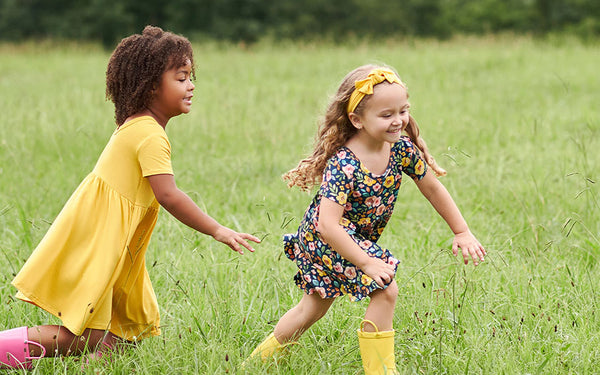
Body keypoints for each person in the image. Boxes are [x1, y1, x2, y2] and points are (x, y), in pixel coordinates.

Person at [0, 25, 260, 370]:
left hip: (119, 242)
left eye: (191, 77)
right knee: (85, 335)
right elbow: (168, 195)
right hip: (103, 239)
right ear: (152, 86)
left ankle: (94, 368)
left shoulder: (140, 126)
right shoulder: (149, 134)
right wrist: (218, 229)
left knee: (131, 329)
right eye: (181, 78)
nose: (191, 85)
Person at [247, 65, 486, 374]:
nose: (398, 120)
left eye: (403, 110)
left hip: (346, 239)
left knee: (312, 308)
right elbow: (327, 225)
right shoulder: (344, 164)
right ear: (356, 120)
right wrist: (366, 262)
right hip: (325, 239)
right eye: (386, 115)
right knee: (385, 288)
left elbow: (432, 187)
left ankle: (254, 364)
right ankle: (382, 371)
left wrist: (462, 230)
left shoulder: (400, 149)